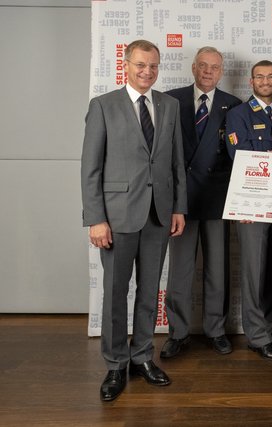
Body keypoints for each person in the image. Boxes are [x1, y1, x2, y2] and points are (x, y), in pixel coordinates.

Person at [81, 39, 187, 402]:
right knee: (114, 294)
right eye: (141, 65)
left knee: (148, 293)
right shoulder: (103, 106)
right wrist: (96, 218)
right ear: (126, 65)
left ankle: (142, 356)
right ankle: (115, 363)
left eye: (154, 65)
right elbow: (90, 168)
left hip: (159, 213)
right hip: (117, 217)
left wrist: (178, 208)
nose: (148, 72)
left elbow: (175, 162)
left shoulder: (169, 105)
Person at [160, 47, 242, 359]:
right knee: (180, 271)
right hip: (180, 200)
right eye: (203, 66)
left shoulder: (232, 105)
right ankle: (178, 333)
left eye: (215, 67)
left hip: (219, 199)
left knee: (217, 269)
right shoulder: (169, 100)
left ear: (221, 72)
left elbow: (240, 158)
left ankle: (216, 330)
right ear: (194, 67)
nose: (208, 71)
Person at [225, 60, 272, 361]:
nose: (265, 81)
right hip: (251, 202)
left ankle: (265, 326)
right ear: (250, 82)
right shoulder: (237, 115)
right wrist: (270, 156)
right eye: (259, 77)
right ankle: (255, 336)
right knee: (254, 269)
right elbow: (237, 155)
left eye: (270, 76)